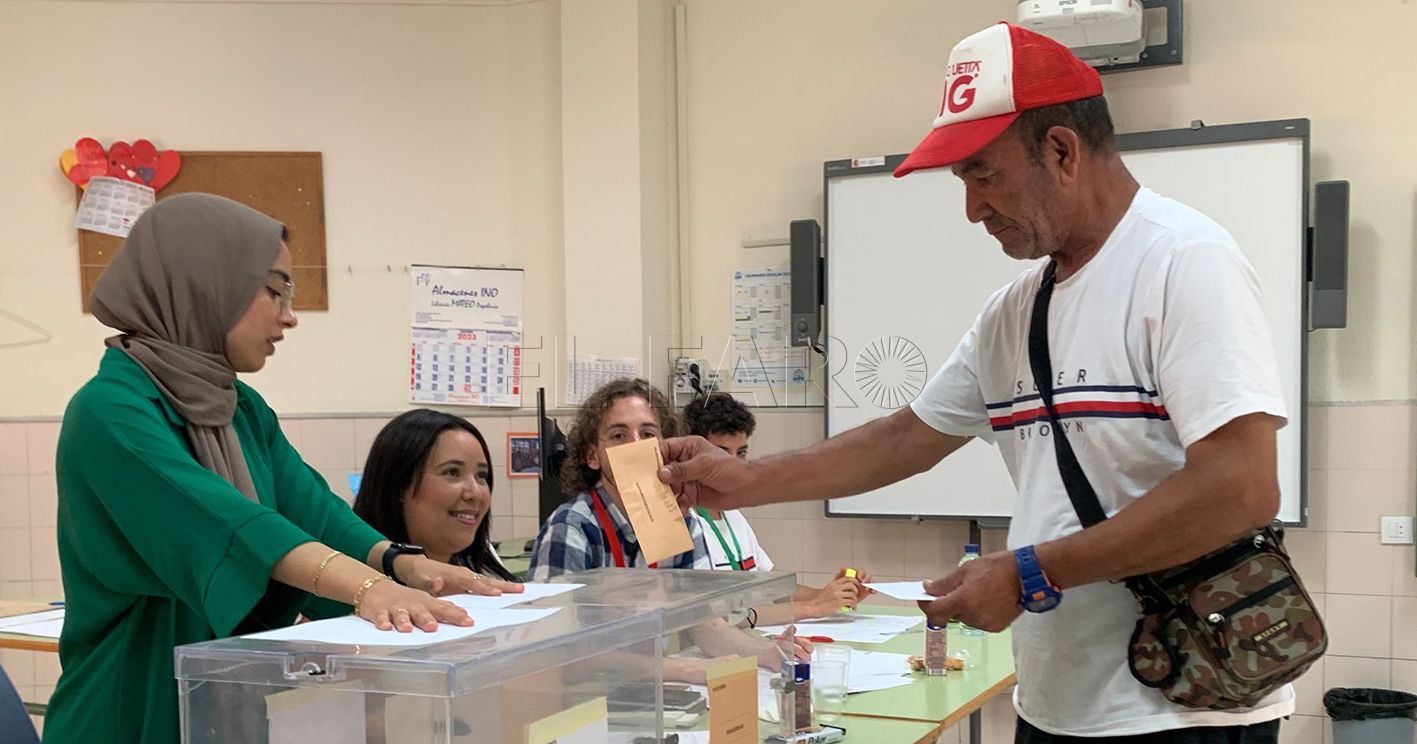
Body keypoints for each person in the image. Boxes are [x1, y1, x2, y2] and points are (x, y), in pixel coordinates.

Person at [659, 23, 1290, 743]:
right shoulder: (1015, 310)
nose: (971, 208)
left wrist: (1029, 573)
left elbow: (1241, 487)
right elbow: (905, 437)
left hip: (1181, 706)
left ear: (1060, 150)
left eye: (982, 174)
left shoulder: (1184, 264)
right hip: (1058, 702)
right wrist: (743, 482)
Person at [44, 194, 519, 742]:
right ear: (204, 283)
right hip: (129, 709)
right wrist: (369, 587)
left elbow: (313, 513)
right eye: (274, 289)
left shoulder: (240, 408)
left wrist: (403, 564)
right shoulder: (110, 411)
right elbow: (231, 524)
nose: (289, 315)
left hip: (219, 705)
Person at [528, 378, 805, 682]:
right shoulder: (572, 527)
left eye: (647, 434)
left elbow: (707, 625)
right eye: (619, 435)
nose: (636, 445)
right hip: (587, 697)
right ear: (592, 456)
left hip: (656, 693)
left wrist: (767, 653)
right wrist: (678, 669)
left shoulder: (682, 523)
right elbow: (550, 649)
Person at [682, 393, 870, 622]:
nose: (733, 464)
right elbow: (723, 619)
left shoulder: (732, 513)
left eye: (740, 453)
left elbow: (772, 588)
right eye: (722, 453)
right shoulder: (682, 521)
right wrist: (814, 607)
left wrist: (834, 594)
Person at [354, 409, 518, 581]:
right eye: (453, 472)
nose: (475, 493)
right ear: (399, 485)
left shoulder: (488, 572)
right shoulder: (354, 589)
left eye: (481, 476)